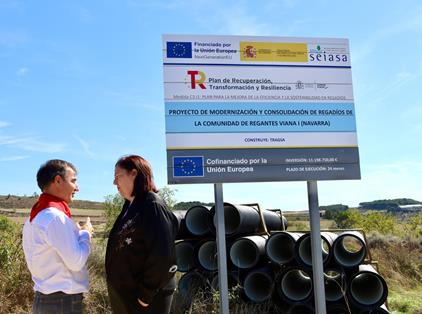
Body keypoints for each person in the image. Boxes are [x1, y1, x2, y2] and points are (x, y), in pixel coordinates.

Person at [105, 155, 178, 314]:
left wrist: (145, 296)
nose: (114, 182)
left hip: (147, 301)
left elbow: (163, 256)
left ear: (134, 173)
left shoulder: (152, 205)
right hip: (128, 297)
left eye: (118, 176)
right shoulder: (130, 206)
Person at [22, 159, 94, 314]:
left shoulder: (35, 217)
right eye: (73, 181)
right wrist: (85, 233)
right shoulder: (55, 217)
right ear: (58, 180)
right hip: (62, 303)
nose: (77, 188)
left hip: (46, 300)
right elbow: (76, 262)